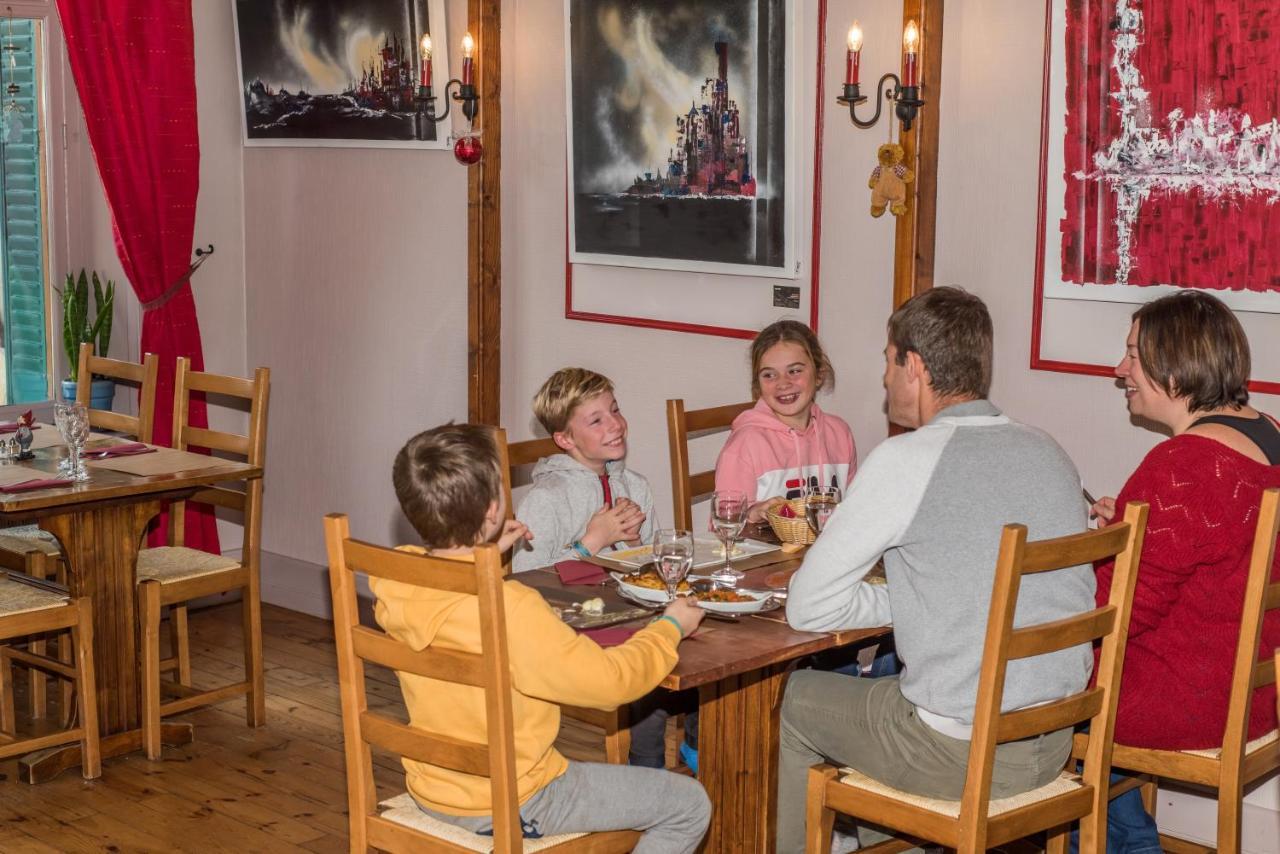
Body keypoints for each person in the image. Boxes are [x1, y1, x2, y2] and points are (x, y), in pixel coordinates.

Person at [776, 287, 1094, 853]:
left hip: (961, 757)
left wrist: (898, 601)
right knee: (899, 692)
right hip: (1052, 743)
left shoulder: (907, 460)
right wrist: (916, 599)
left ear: (914, 367)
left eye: (887, 359)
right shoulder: (1049, 451)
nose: (883, 378)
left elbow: (809, 607)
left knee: (797, 699)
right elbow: (983, 587)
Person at [374, 423, 710, 851]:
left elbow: (453, 597)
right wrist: (670, 627)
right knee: (688, 803)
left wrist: (487, 555)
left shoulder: (400, 579)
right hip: (518, 798)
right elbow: (610, 685)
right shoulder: (510, 606)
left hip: (435, 788)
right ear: (493, 510)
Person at [1086, 291, 1280, 853]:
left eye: (1132, 356)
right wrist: (1124, 529)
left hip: (1192, 698)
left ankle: (1115, 843)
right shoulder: (1268, 431)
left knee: (1035, 680)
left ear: (1172, 366)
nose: (1119, 370)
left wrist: (1098, 557)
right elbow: (1218, 555)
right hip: (1255, 691)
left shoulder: (1184, 465)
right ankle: (1131, 838)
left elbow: (1115, 612)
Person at [715, 319, 856, 523]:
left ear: (819, 375)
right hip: (768, 554)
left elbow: (852, 508)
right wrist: (753, 513)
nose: (783, 383)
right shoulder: (746, 443)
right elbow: (723, 521)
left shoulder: (840, 433)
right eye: (769, 375)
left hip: (829, 550)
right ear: (758, 385)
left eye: (795, 371)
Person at [513, 367, 653, 572]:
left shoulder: (636, 486)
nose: (615, 424)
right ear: (565, 439)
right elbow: (524, 579)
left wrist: (633, 543)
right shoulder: (544, 500)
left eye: (615, 410)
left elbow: (654, 567)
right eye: (596, 421)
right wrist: (591, 543)